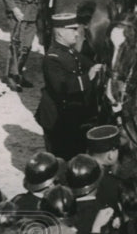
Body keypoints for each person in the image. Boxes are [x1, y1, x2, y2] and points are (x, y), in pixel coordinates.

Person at [34, 12, 101, 158]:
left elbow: (90, 64)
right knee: (60, 157)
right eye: (73, 29)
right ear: (60, 32)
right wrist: (87, 78)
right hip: (56, 118)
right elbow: (61, 86)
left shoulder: (71, 52)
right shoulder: (52, 58)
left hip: (71, 116)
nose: (77, 34)